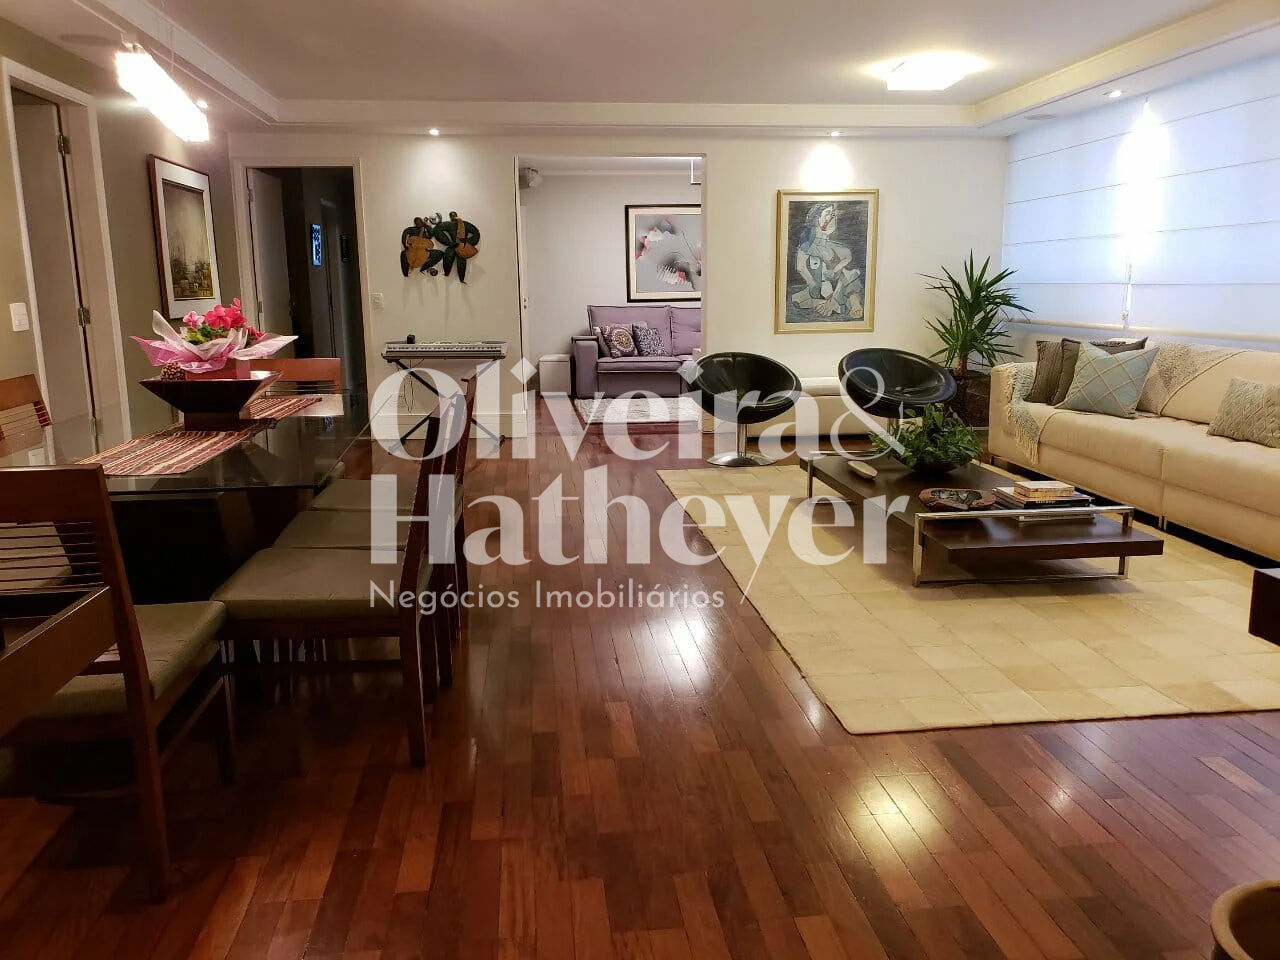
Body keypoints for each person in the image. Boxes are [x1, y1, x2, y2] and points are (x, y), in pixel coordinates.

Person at [792, 203, 864, 320]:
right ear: (817, 217)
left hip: (834, 284)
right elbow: (800, 267)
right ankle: (828, 303)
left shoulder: (830, 246)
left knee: (847, 275)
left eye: (833, 214)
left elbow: (847, 257)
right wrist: (812, 283)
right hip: (817, 285)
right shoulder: (808, 240)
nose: (830, 217)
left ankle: (853, 304)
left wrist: (835, 270)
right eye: (827, 213)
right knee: (801, 299)